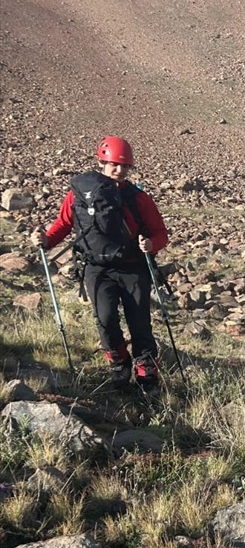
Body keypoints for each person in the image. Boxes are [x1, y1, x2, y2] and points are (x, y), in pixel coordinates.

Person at [30, 136, 169, 390]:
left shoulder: (138, 198)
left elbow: (161, 233)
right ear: (102, 162)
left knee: (139, 320)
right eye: (114, 164)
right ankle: (119, 363)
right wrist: (46, 240)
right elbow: (64, 223)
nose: (120, 170)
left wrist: (151, 245)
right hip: (97, 267)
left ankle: (146, 371)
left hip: (133, 266)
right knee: (105, 319)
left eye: (125, 166)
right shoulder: (81, 195)